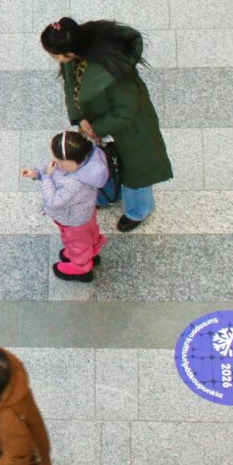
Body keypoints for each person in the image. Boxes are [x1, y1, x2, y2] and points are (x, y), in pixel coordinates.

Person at [41, 17, 172, 232]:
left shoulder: (114, 71)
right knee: (108, 161)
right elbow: (71, 87)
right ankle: (111, 192)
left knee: (136, 173)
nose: (55, 59)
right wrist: (79, 118)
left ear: (69, 51)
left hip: (132, 128)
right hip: (99, 119)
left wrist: (95, 129)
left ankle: (138, 210)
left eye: (55, 55)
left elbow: (125, 111)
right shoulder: (75, 56)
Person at [21, 131, 109, 282]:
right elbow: (53, 166)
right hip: (85, 215)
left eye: (60, 160)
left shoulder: (74, 184)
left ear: (73, 160)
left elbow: (54, 202)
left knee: (75, 243)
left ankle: (81, 267)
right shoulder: (85, 161)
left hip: (73, 222)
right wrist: (37, 172)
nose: (56, 162)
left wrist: (47, 177)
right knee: (89, 234)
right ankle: (92, 250)